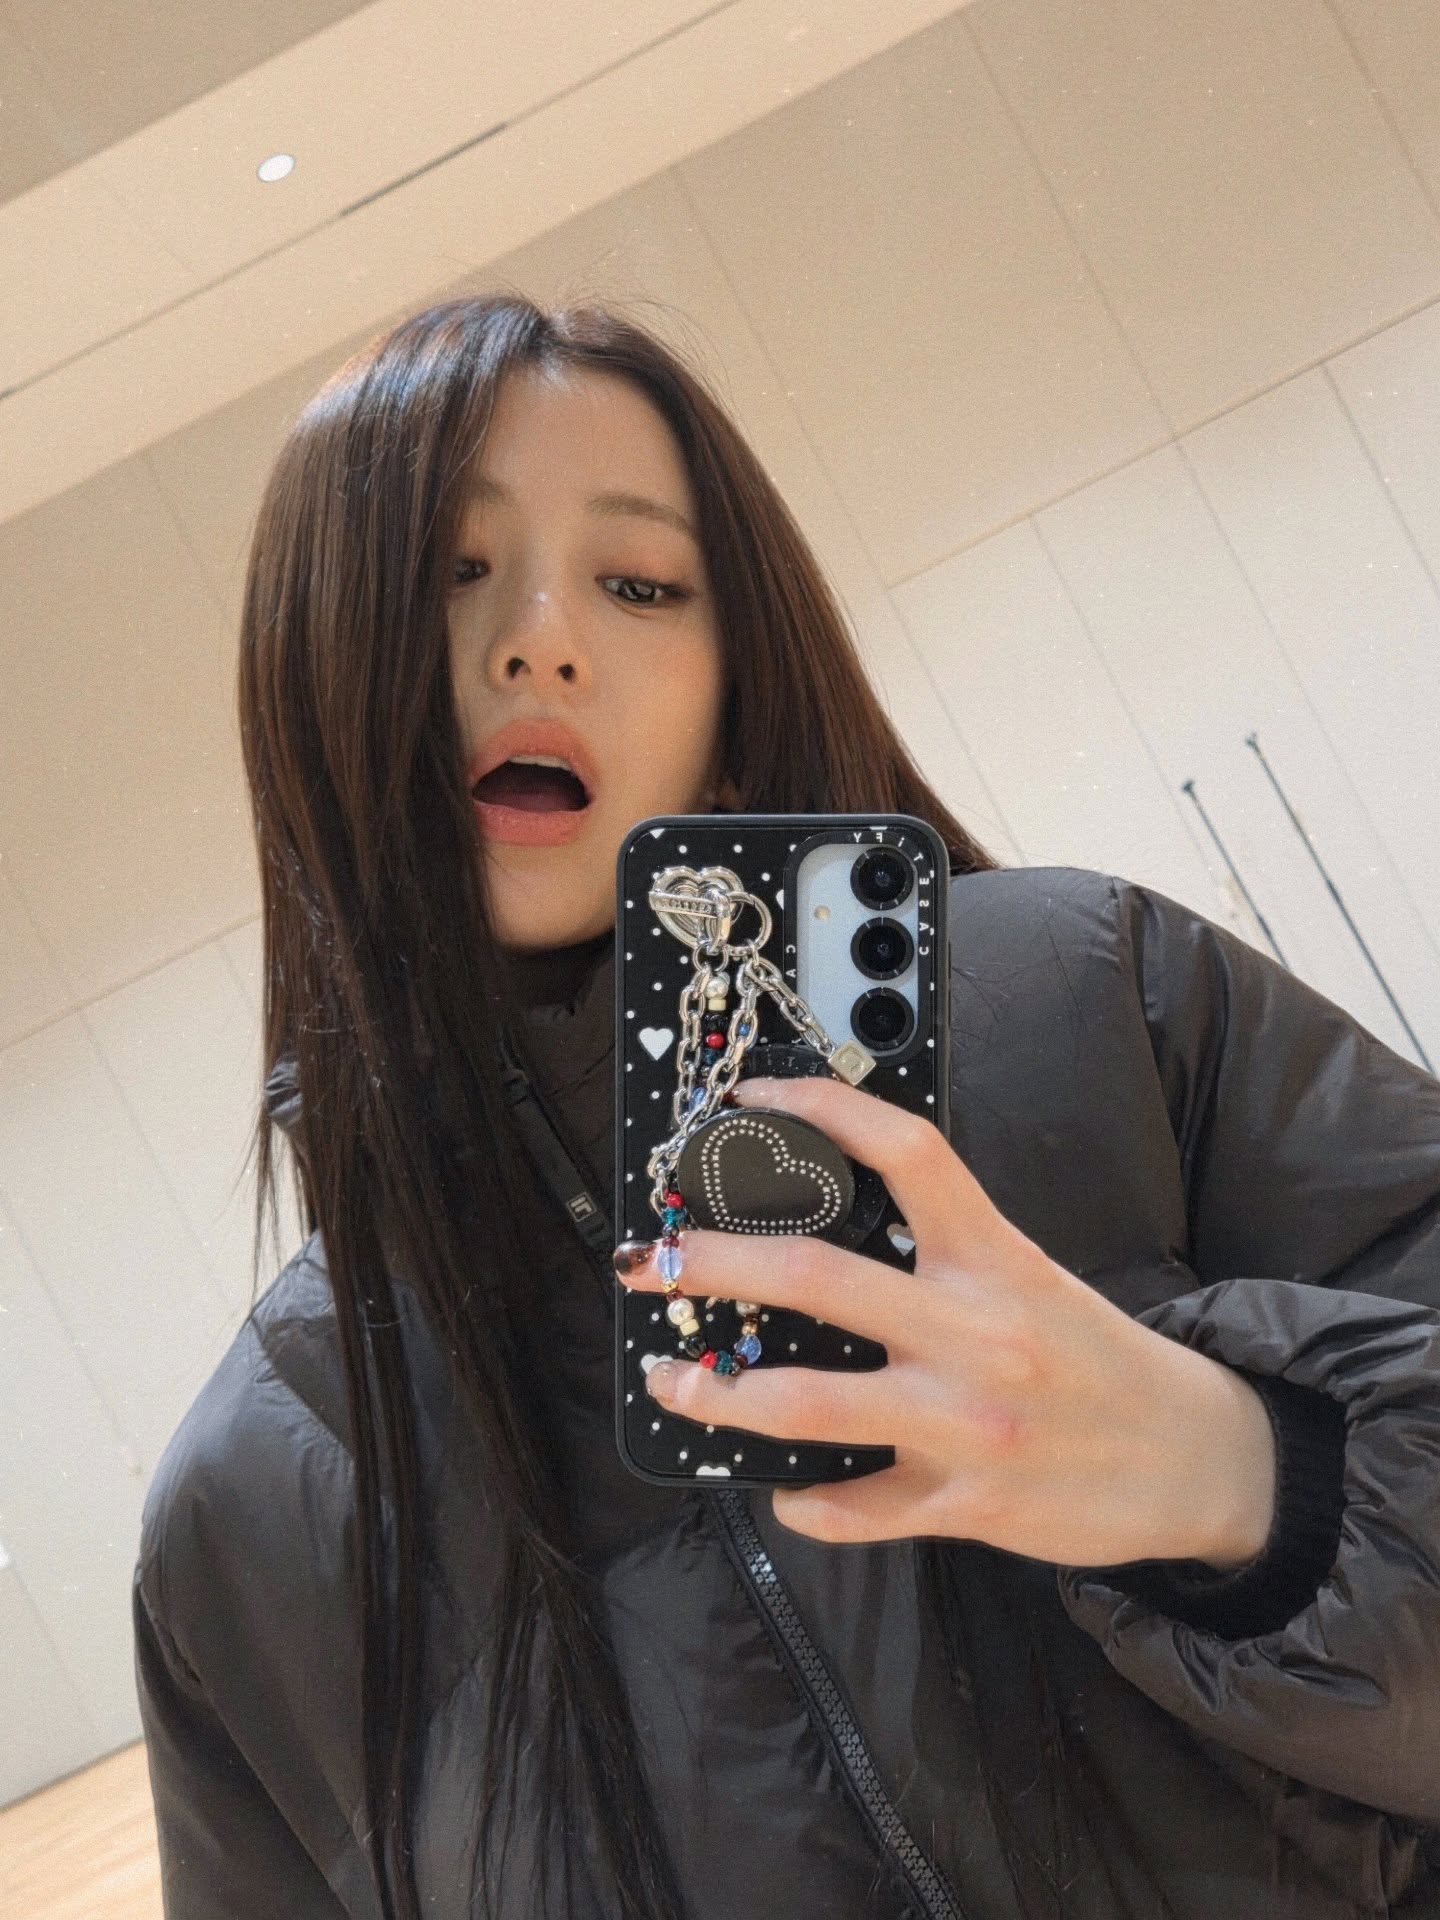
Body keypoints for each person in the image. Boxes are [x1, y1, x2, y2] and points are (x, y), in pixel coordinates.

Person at [130, 290, 1440, 1920]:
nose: (540, 640)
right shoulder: (247, 1518)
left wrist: (1233, 1471)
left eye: (639, 582)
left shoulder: (1099, 999)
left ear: (734, 674)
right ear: (306, 674)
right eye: (449, 571)